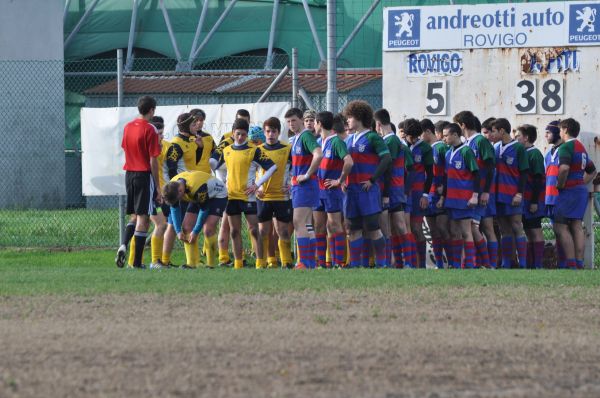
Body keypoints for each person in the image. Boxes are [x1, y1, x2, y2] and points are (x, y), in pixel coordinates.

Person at [210, 118, 277, 269]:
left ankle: (261, 262)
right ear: (233, 133)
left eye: (243, 134)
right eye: (238, 134)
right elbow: (216, 167)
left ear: (247, 135)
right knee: (234, 231)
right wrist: (221, 186)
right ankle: (238, 263)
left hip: (248, 196)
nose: (240, 137)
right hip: (231, 197)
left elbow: (272, 167)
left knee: (254, 229)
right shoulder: (226, 151)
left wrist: (257, 185)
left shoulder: (254, 150)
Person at [343, 100, 391, 268]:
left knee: (372, 227)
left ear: (359, 117)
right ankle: (355, 266)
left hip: (367, 190)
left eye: (350, 117)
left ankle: (382, 264)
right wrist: (342, 180)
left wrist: (373, 179)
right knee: (353, 228)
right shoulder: (348, 140)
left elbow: (386, 158)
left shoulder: (372, 137)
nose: (347, 120)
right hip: (351, 190)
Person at [116, 95, 161, 269]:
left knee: (134, 214)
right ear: (151, 110)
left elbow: (125, 148)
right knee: (144, 218)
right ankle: (136, 263)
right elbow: (153, 160)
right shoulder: (150, 129)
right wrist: (157, 186)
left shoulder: (128, 127)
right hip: (144, 175)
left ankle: (124, 244)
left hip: (130, 174)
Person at [454, 110, 496, 269]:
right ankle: (478, 263)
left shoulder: (480, 141)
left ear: (462, 125)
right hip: (470, 192)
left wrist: (485, 191)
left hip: (479, 192)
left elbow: (491, 167)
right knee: (473, 226)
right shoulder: (466, 142)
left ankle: (487, 263)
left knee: (473, 226)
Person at [374, 109, 416, 268]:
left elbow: (388, 166)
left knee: (398, 225)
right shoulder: (390, 140)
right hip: (393, 188)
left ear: (378, 124)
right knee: (392, 226)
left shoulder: (391, 140)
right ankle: (394, 262)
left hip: (393, 189)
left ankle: (408, 263)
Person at [554, 118, 597, 269]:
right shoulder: (581, 147)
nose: (559, 132)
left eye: (560, 130)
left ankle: (571, 264)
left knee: (560, 226)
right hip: (580, 191)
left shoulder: (566, 147)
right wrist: (581, 182)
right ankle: (579, 263)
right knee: (577, 225)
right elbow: (592, 171)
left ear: (565, 130)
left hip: (569, 191)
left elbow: (564, 168)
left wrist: (560, 185)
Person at [162, 171, 228, 268]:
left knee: (208, 228)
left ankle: (210, 265)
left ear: (180, 191)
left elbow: (204, 210)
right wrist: (178, 231)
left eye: (178, 199)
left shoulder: (197, 188)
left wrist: (196, 231)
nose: (179, 201)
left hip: (217, 195)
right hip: (197, 196)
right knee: (186, 227)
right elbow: (174, 209)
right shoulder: (173, 186)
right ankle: (192, 263)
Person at [437, 123, 480, 269]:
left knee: (466, 232)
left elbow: (477, 174)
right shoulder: (448, 152)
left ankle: (470, 264)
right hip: (451, 199)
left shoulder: (466, 151)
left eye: (446, 135)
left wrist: (475, 196)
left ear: (455, 135)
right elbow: (446, 178)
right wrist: (443, 197)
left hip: (464, 199)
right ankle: (455, 264)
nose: (444, 138)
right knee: (454, 232)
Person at [314, 111, 353, 268]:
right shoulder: (318, 142)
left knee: (335, 225)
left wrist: (340, 180)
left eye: (315, 122)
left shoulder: (336, 142)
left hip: (331, 191)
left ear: (319, 123)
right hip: (318, 190)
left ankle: (339, 262)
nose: (314, 126)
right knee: (319, 226)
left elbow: (349, 162)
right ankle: (322, 263)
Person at [256, 117, 294, 269]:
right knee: (263, 231)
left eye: (273, 131)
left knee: (283, 231)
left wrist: (291, 183)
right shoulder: (258, 150)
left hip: (281, 196)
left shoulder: (287, 149)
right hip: (263, 196)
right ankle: (262, 262)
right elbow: (252, 171)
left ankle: (286, 262)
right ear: (264, 133)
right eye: (268, 131)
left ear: (278, 132)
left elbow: (295, 169)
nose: (270, 134)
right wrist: (256, 186)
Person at [215, 109, 251, 266]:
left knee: (251, 226)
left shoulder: (250, 141)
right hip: (230, 190)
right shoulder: (226, 141)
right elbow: (216, 164)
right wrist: (221, 183)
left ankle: (246, 256)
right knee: (226, 223)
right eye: (240, 120)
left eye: (246, 120)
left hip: (246, 190)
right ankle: (223, 257)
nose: (243, 123)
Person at [288, 108, 323, 269]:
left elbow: (318, 154)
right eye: (288, 121)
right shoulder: (296, 138)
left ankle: (304, 261)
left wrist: (307, 174)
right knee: (307, 224)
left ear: (301, 119)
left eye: (294, 120)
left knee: (298, 221)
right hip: (300, 186)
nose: (291, 124)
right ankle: (309, 262)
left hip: (305, 186)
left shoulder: (306, 136)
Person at [493, 118, 529, 269]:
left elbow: (524, 172)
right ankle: (506, 262)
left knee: (516, 226)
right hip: (498, 194)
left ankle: (523, 263)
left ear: (502, 131)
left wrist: (519, 193)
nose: (493, 134)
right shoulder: (495, 147)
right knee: (503, 229)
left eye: (494, 131)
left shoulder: (519, 148)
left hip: (513, 194)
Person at [515, 124, 546, 269]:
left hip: (533, 200)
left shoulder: (535, 154)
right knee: (527, 231)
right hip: (524, 200)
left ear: (526, 137)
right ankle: (530, 264)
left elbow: (539, 179)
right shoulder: (521, 152)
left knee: (535, 230)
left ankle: (538, 264)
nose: (515, 139)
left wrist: (534, 201)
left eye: (518, 136)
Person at [404, 118, 433, 268]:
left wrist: (425, 195)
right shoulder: (403, 146)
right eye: (410, 136)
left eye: (415, 136)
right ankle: (410, 262)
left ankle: (421, 264)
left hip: (417, 193)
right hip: (403, 192)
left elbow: (430, 174)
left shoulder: (426, 149)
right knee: (404, 227)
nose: (412, 139)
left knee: (416, 228)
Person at [422, 118, 450, 269]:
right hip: (429, 195)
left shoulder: (441, 148)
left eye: (421, 134)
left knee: (443, 228)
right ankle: (439, 264)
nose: (419, 138)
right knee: (433, 231)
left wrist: (444, 190)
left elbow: (449, 172)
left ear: (427, 132)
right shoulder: (426, 149)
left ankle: (453, 264)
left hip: (440, 196)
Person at [544, 120, 566, 268]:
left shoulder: (565, 150)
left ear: (557, 132)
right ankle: (560, 262)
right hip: (549, 198)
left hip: (561, 198)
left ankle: (566, 262)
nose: (546, 135)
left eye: (549, 132)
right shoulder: (548, 153)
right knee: (556, 232)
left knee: (563, 231)